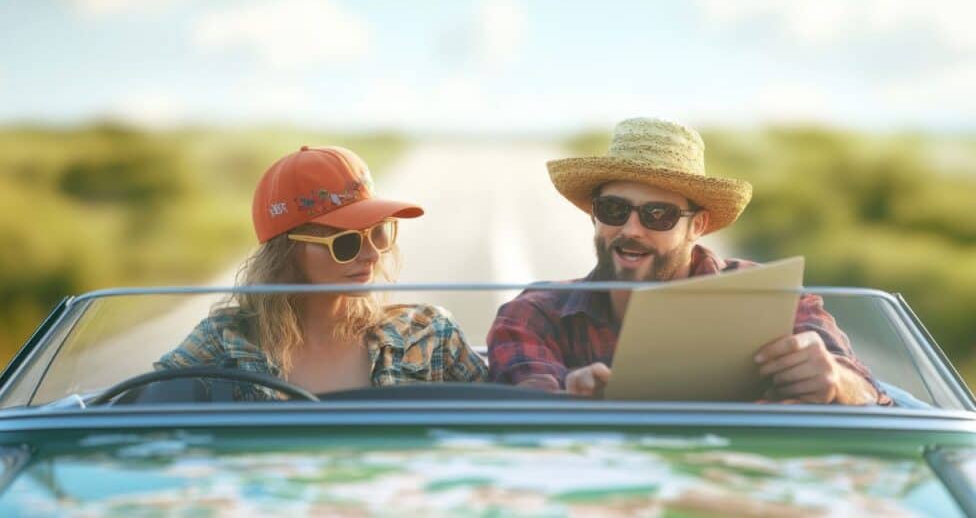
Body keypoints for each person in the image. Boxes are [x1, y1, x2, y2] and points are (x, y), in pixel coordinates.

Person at [487, 118, 890, 405]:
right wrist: (568, 396)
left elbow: (871, 395)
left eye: (656, 215)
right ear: (595, 214)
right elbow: (528, 406)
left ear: (697, 225)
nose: (630, 229)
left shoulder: (770, 298)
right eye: (613, 209)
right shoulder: (534, 313)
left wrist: (834, 380)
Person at [157, 145, 487, 399]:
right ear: (285, 253)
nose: (372, 254)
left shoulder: (429, 334)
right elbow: (135, 417)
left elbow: (509, 433)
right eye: (346, 243)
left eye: (379, 232)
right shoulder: (224, 342)